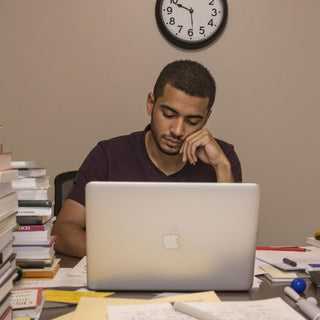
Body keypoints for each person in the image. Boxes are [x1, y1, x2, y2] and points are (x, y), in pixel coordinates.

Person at [52, 60, 242, 258]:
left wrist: (221, 166)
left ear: (206, 118)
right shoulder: (108, 155)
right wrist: (121, 258)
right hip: (122, 275)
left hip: (200, 281)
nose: (177, 130)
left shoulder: (222, 157)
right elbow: (63, 231)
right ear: (151, 103)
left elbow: (235, 245)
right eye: (168, 114)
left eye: (192, 121)